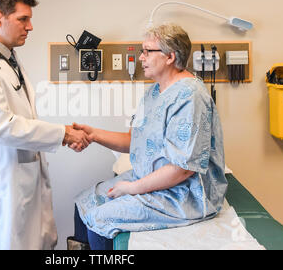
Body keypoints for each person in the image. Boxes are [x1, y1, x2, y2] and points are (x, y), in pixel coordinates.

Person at [0, 0, 89, 250]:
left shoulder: (9, 59)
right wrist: (63, 134)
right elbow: (1, 127)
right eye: (23, 19)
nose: (31, 26)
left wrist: (63, 132)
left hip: (21, 178)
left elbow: (22, 119)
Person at [69, 24, 228, 250]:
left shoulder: (190, 97)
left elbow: (183, 168)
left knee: (99, 220)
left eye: (147, 51)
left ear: (170, 56)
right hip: (152, 180)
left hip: (183, 192)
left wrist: (132, 188)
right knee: (84, 201)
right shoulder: (154, 92)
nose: (141, 57)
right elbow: (134, 140)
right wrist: (93, 134)